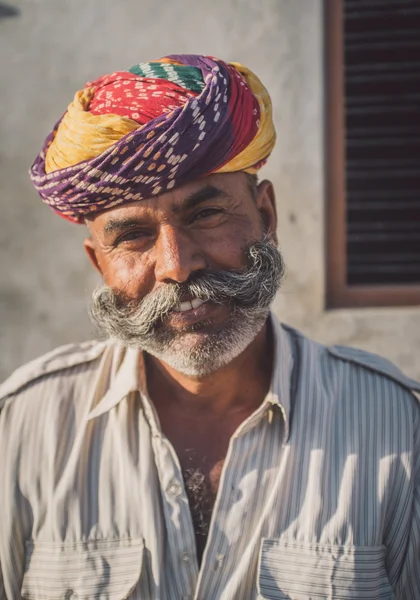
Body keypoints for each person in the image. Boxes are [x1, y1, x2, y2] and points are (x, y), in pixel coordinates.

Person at [0, 54, 419, 600]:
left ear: (266, 216)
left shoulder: (397, 429)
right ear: (98, 263)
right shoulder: (22, 426)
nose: (177, 265)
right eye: (132, 237)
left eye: (206, 214)